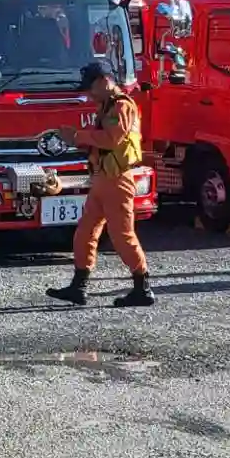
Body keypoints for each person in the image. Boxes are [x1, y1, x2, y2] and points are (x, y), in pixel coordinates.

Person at [47, 60, 154, 307]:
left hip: (117, 180)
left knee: (122, 236)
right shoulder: (108, 105)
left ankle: (143, 287)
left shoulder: (122, 106)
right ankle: (79, 287)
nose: (89, 93)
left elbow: (111, 139)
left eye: (91, 87)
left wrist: (78, 136)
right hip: (103, 179)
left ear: (105, 81)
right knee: (85, 232)